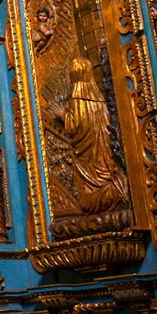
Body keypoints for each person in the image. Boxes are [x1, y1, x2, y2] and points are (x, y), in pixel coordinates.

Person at [55, 56, 128, 215]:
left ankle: (107, 193)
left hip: (88, 156)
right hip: (101, 151)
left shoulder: (77, 99)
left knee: (87, 199)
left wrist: (63, 115)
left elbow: (76, 127)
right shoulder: (97, 98)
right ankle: (111, 189)